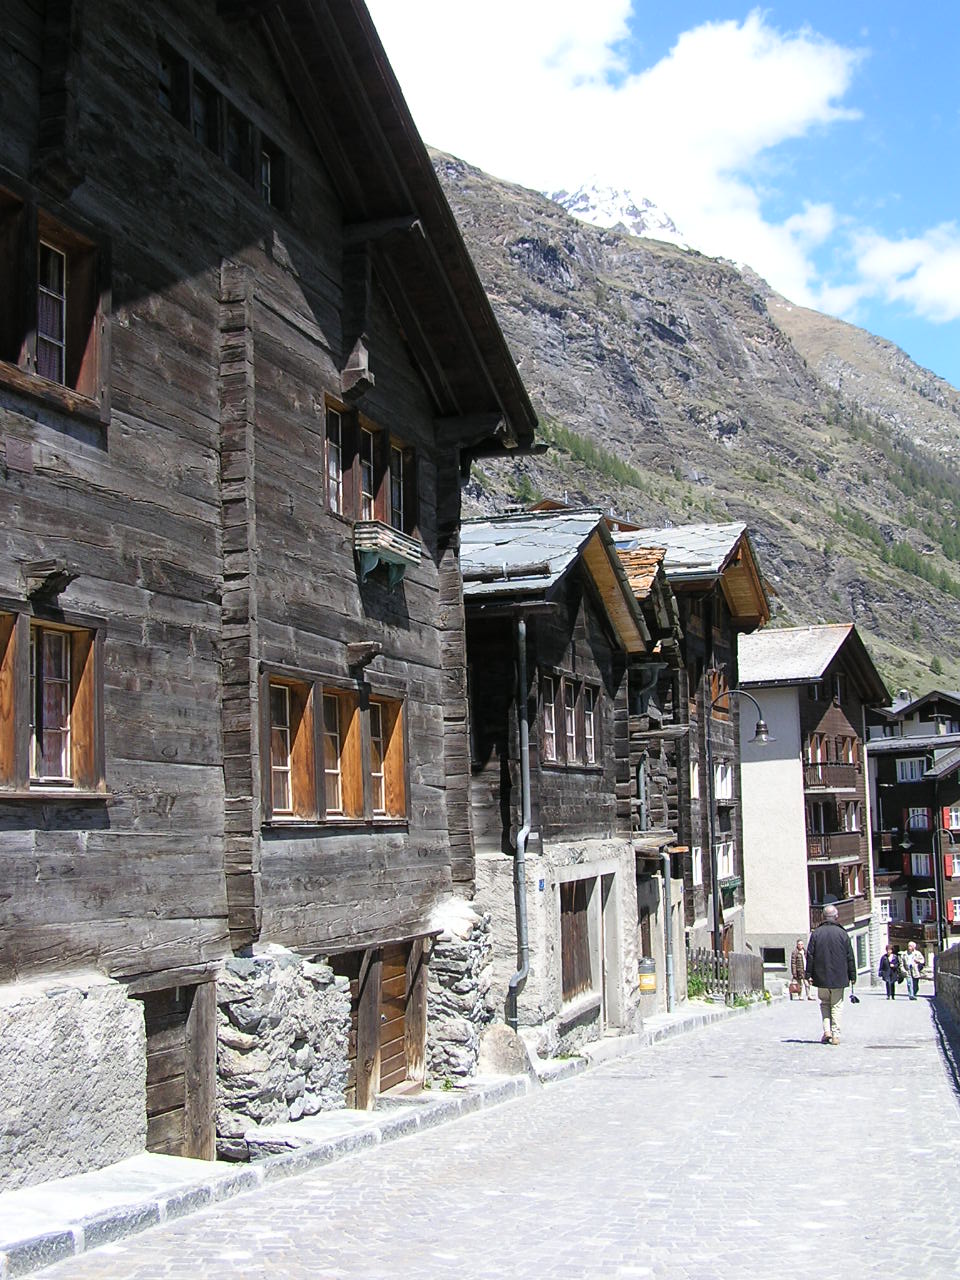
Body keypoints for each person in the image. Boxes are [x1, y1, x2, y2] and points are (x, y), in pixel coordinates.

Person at [805, 903, 856, 1044]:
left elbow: (810, 955)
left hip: (821, 976)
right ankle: (835, 1034)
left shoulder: (816, 933)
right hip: (839, 977)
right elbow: (850, 956)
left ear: (823, 916)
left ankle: (827, 1031)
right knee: (836, 1005)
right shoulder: (842, 933)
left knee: (825, 1003)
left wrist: (808, 974)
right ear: (836, 916)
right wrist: (852, 975)